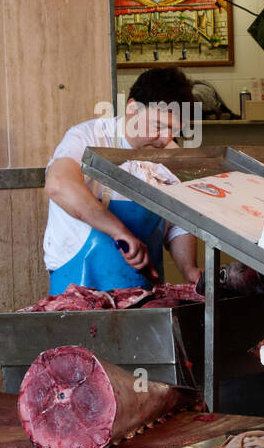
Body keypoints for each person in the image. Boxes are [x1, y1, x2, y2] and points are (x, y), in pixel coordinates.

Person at [43, 67, 202, 295]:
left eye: (174, 130)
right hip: (77, 286)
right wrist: (119, 232)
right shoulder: (89, 136)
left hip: (142, 294)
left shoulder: (169, 155)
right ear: (132, 108)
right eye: (158, 126)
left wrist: (189, 269)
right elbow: (59, 184)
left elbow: (179, 221)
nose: (165, 138)